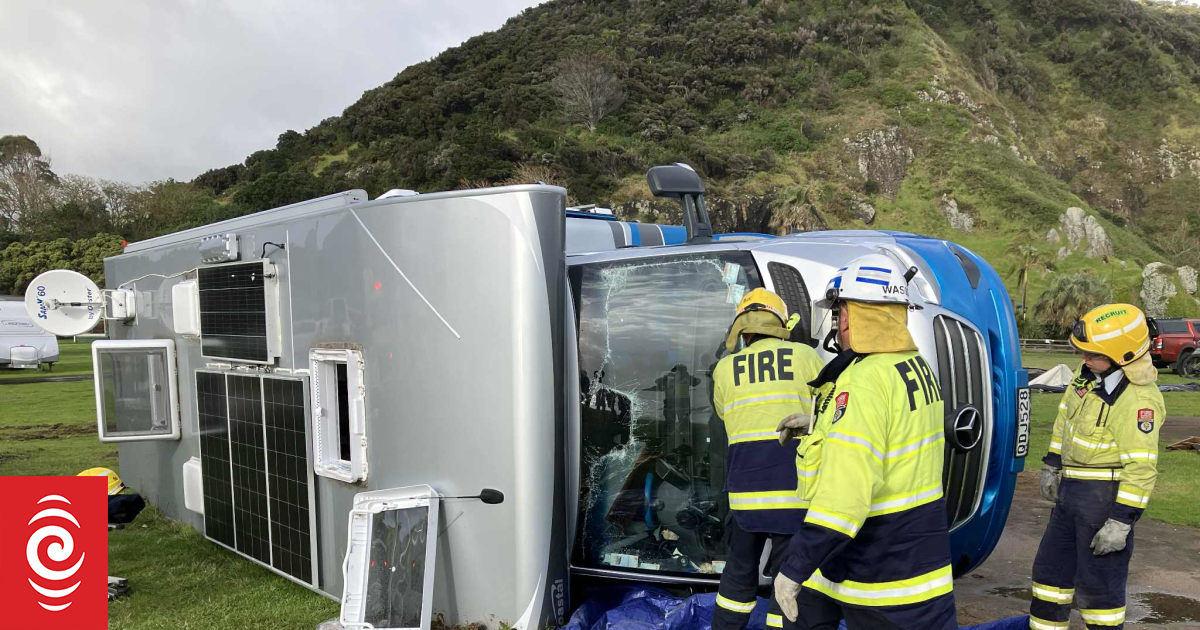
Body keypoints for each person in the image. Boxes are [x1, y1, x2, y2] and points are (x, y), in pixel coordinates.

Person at [772, 254, 956, 630]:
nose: (837, 324)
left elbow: (845, 494)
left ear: (856, 314)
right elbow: (893, 433)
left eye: (840, 312)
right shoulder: (912, 365)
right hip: (914, 556)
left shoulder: (864, 380)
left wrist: (794, 569)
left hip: (879, 570)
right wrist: (823, 425)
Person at [1028, 304, 1164, 630]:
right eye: (1082, 352)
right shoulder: (1087, 376)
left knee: (1099, 591)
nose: (1084, 359)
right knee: (1049, 577)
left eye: (1092, 354)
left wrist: (1121, 522)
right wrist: (1053, 463)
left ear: (1122, 355)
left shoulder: (1138, 401)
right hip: (1071, 496)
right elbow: (1065, 418)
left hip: (1105, 500)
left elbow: (1141, 469)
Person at [711, 288, 824, 630]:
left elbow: (723, 414)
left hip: (745, 494)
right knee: (788, 578)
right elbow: (830, 412)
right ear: (780, 323)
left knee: (738, 573)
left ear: (742, 331)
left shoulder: (724, 369)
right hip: (795, 493)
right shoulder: (806, 357)